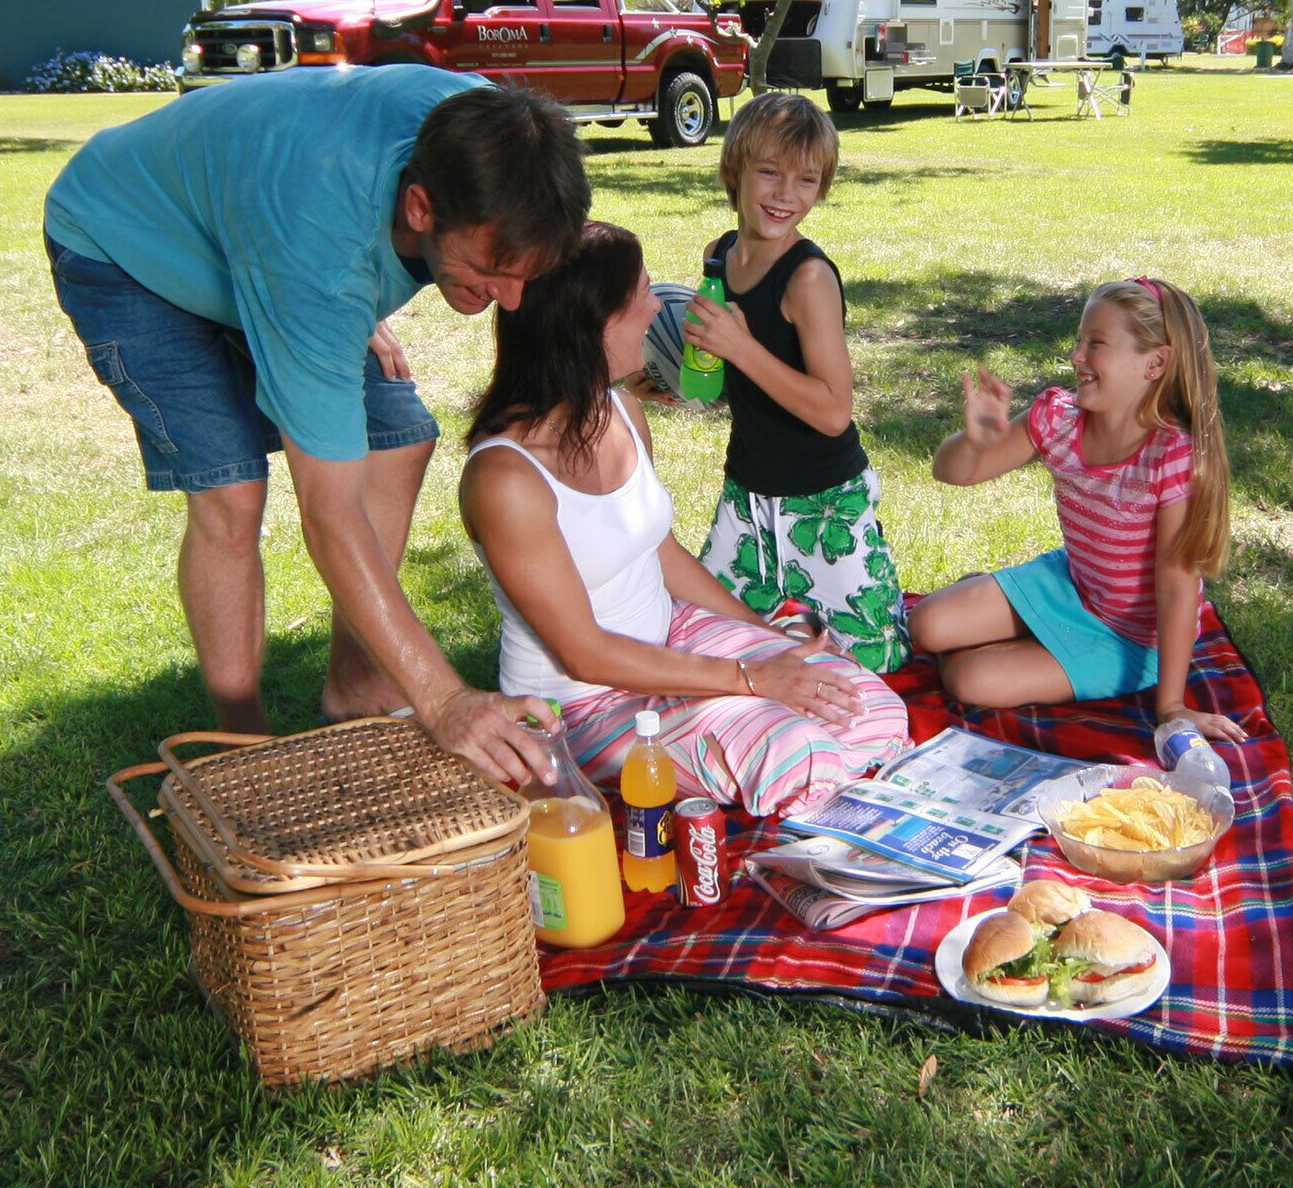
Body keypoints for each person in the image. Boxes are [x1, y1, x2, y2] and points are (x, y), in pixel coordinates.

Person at [43, 65, 584, 786]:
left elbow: (326, 230)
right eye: (490, 270)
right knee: (232, 492)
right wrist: (446, 699)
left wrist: (362, 301)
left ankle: (358, 687)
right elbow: (330, 517)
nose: (511, 301)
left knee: (402, 437)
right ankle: (242, 748)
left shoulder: (499, 135)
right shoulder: (317, 259)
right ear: (421, 207)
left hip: (271, 234)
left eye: (527, 273)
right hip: (125, 243)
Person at [460, 222, 911, 814]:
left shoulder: (618, 408)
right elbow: (584, 653)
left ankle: (825, 783)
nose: (658, 305)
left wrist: (765, 637)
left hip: (671, 635)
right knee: (796, 754)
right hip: (584, 704)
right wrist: (752, 677)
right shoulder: (506, 478)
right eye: (641, 294)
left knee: (865, 700)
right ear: (591, 328)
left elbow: (664, 553)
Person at [908, 276, 1242, 739]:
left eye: (1096, 344)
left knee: (969, 680)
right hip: (1070, 584)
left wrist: (1170, 706)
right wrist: (975, 441)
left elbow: (1176, 587)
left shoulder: (1172, 458)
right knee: (925, 625)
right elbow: (951, 472)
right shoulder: (1058, 418)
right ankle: (1015, 624)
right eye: (1079, 341)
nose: (1076, 356)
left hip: (1127, 638)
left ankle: (1015, 631)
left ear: (1155, 363)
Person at [682, 93, 910, 672]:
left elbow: (834, 410)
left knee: (878, 663)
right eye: (769, 172)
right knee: (700, 637)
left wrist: (741, 348)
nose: (786, 194)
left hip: (825, 497)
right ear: (733, 172)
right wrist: (676, 375)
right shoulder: (720, 256)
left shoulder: (808, 278)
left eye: (806, 180)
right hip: (748, 495)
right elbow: (735, 375)